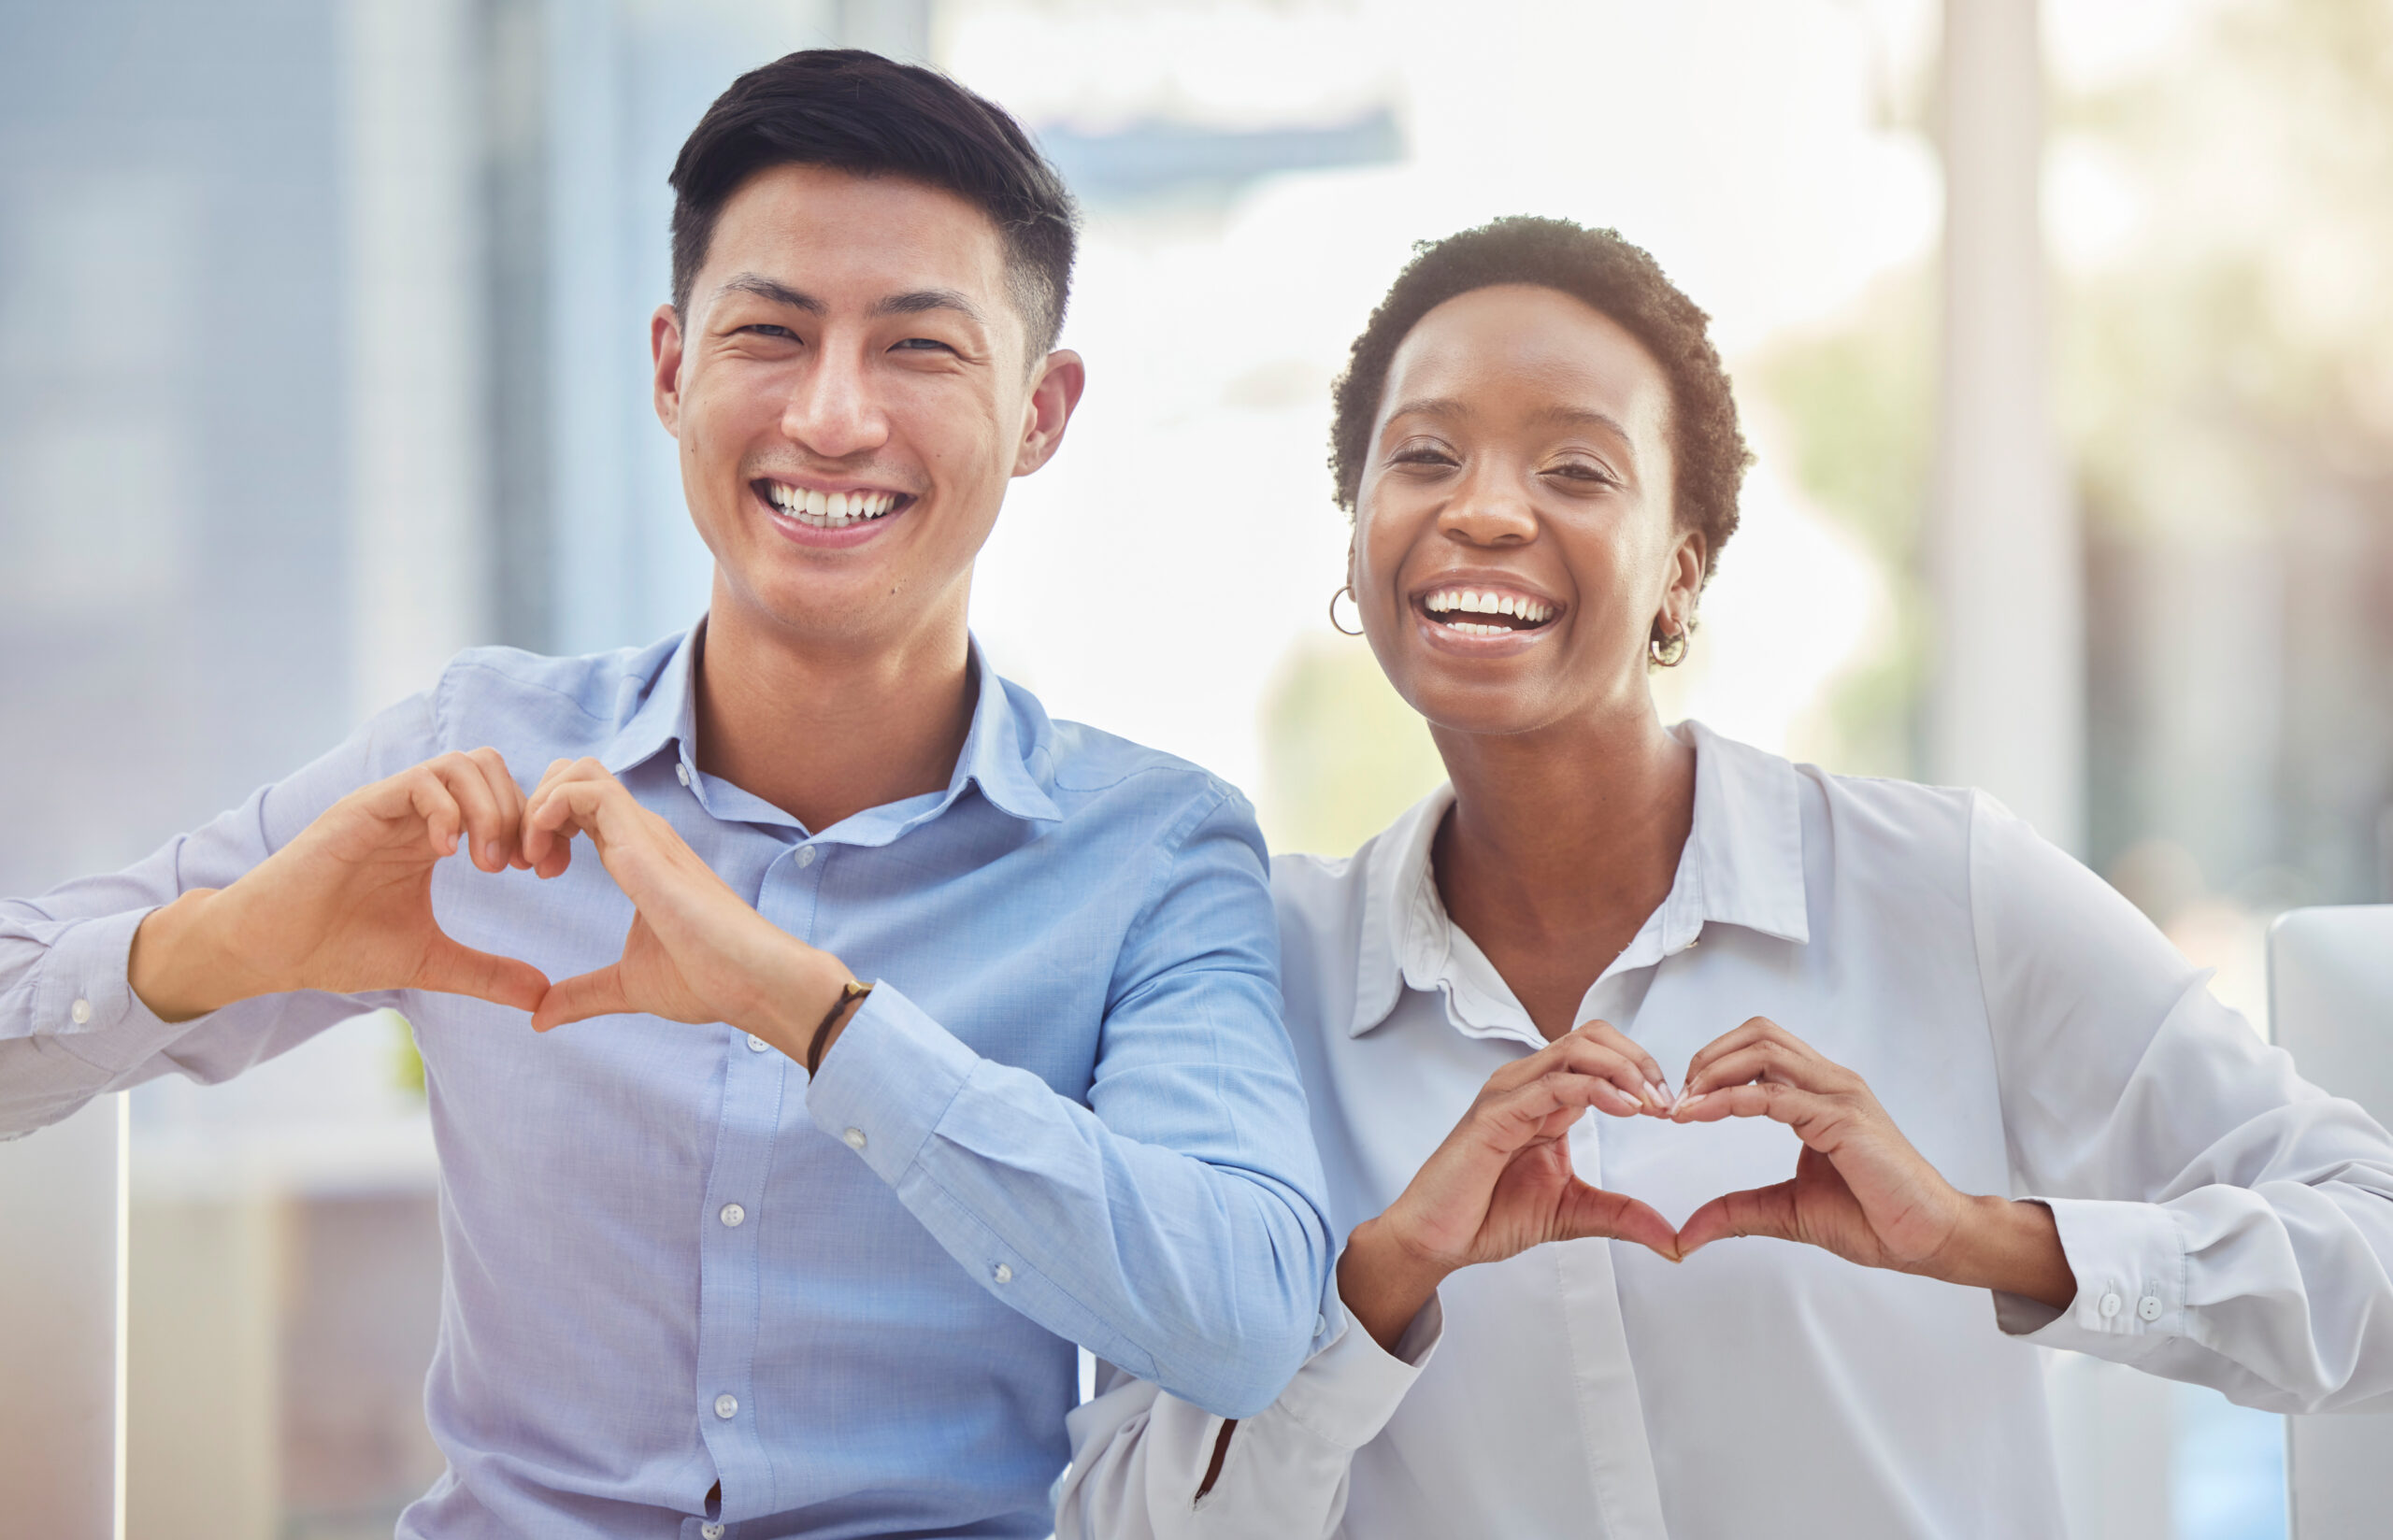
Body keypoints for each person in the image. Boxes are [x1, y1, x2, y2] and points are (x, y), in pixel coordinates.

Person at [0, 50, 1332, 1539]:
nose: (832, 418)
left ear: (1041, 412)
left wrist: (815, 1017)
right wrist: (227, 950)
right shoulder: (476, 756)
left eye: (919, 350)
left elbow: (1246, 1315)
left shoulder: (1151, 851)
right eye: (770, 331)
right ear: (668, 368)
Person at [1054, 216, 2393, 1538]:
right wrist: (1379, 1285)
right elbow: (1122, 1525)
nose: (1484, 508)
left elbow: (2371, 1254)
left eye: (1576, 469)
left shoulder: (1940, 891)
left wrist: (1984, 1239)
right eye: (1424, 456)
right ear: (1359, 541)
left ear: (1679, 574)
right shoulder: (1250, 969)